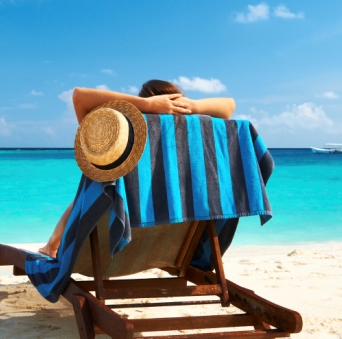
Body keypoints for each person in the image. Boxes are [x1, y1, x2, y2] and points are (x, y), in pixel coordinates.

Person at [37, 79, 236, 258]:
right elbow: (229, 106)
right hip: (171, 252)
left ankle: (51, 246)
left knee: (96, 188)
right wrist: (191, 106)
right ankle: (51, 246)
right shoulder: (189, 154)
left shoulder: (123, 141)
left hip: (116, 250)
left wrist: (146, 105)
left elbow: (79, 96)